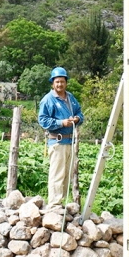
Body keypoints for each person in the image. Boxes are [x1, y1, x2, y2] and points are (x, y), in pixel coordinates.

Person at [38, 67, 84, 208]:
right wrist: (61, 123)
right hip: (57, 141)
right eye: (57, 82)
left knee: (66, 175)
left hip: (70, 142)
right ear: (53, 83)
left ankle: (61, 202)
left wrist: (76, 119)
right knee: (57, 174)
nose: (60, 84)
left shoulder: (70, 98)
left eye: (62, 81)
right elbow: (43, 120)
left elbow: (80, 114)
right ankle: (54, 204)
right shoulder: (48, 100)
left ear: (66, 82)